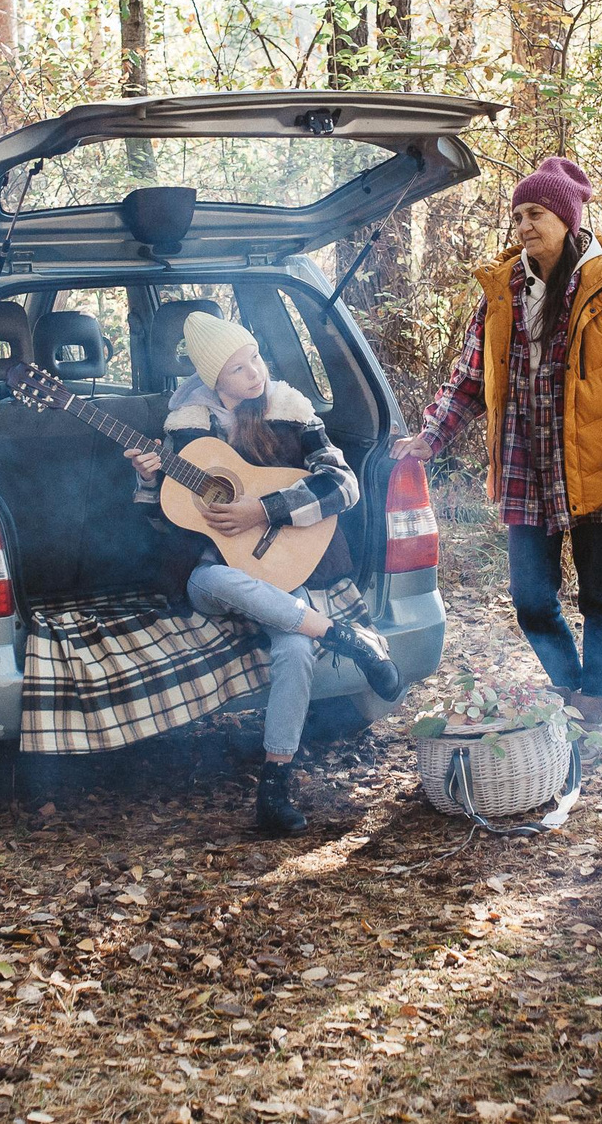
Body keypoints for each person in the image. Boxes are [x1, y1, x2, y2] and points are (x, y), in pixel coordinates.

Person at [395, 157, 602, 724]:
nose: (523, 225)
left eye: (536, 214)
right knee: (531, 601)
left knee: (600, 597)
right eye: (518, 214)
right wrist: (432, 435)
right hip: (524, 465)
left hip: (593, 468)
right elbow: (471, 376)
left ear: (567, 220)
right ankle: (569, 689)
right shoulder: (502, 292)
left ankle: (593, 700)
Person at [128, 309, 402, 836]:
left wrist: (264, 510)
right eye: (238, 368)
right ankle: (344, 637)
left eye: (255, 357)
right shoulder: (187, 427)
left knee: (295, 648)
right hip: (212, 572)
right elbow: (163, 521)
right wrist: (147, 481)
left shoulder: (291, 410)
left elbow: (344, 485)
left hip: (276, 561)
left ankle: (274, 786)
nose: (255, 372)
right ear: (214, 379)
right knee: (211, 580)